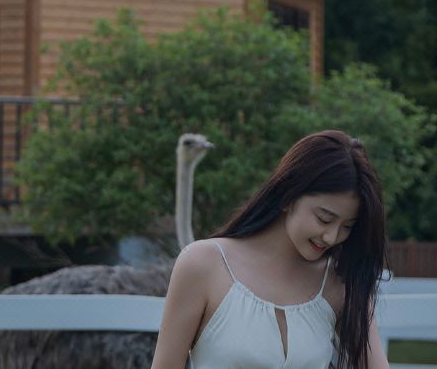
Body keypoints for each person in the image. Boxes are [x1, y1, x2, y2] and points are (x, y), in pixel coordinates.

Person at [150, 130, 391, 369]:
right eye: (324, 219)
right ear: (288, 196)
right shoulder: (203, 264)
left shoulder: (339, 282)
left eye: (347, 226)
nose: (332, 236)